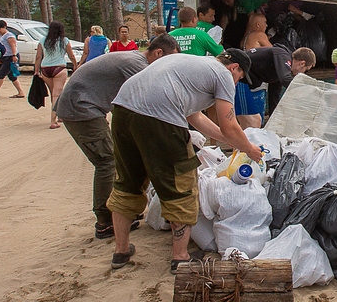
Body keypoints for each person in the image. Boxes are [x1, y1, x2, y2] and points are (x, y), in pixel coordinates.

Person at [106, 49, 263, 272]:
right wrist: (249, 148)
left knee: (128, 182)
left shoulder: (192, 65)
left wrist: (230, 141)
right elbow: (230, 125)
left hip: (123, 112)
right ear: (234, 68)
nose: (238, 82)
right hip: (159, 118)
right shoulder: (222, 75)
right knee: (183, 184)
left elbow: (195, 117)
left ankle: (120, 251)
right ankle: (180, 257)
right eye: (240, 77)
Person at [56, 33, 180, 239]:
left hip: (85, 107)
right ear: (158, 52)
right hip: (81, 110)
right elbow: (152, 100)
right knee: (107, 162)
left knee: (117, 158)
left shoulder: (131, 59)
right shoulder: (137, 65)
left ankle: (119, 212)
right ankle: (104, 221)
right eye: (168, 60)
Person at [246, 45, 316, 119]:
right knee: (253, 121)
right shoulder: (283, 55)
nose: (303, 73)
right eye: (306, 70)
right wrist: (307, 91)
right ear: (302, 63)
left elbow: (274, 96)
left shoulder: (279, 69)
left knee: (255, 120)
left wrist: (274, 119)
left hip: (245, 80)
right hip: (240, 76)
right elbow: (285, 79)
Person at [34, 20, 77, 129]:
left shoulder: (43, 40)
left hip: (45, 68)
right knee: (57, 94)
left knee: (53, 93)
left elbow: (38, 57)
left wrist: (36, 71)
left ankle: (58, 114)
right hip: (59, 67)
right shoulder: (64, 41)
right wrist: (75, 65)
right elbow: (71, 55)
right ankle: (53, 120)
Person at [0, 20, 24, 99]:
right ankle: (20, 92)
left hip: (11, 56)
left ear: (4, 27)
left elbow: (13, 46)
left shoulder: (9, 35)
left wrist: (14, 55)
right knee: (12, 76)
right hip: (5, 57)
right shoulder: (0, 35)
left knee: (0, 74)